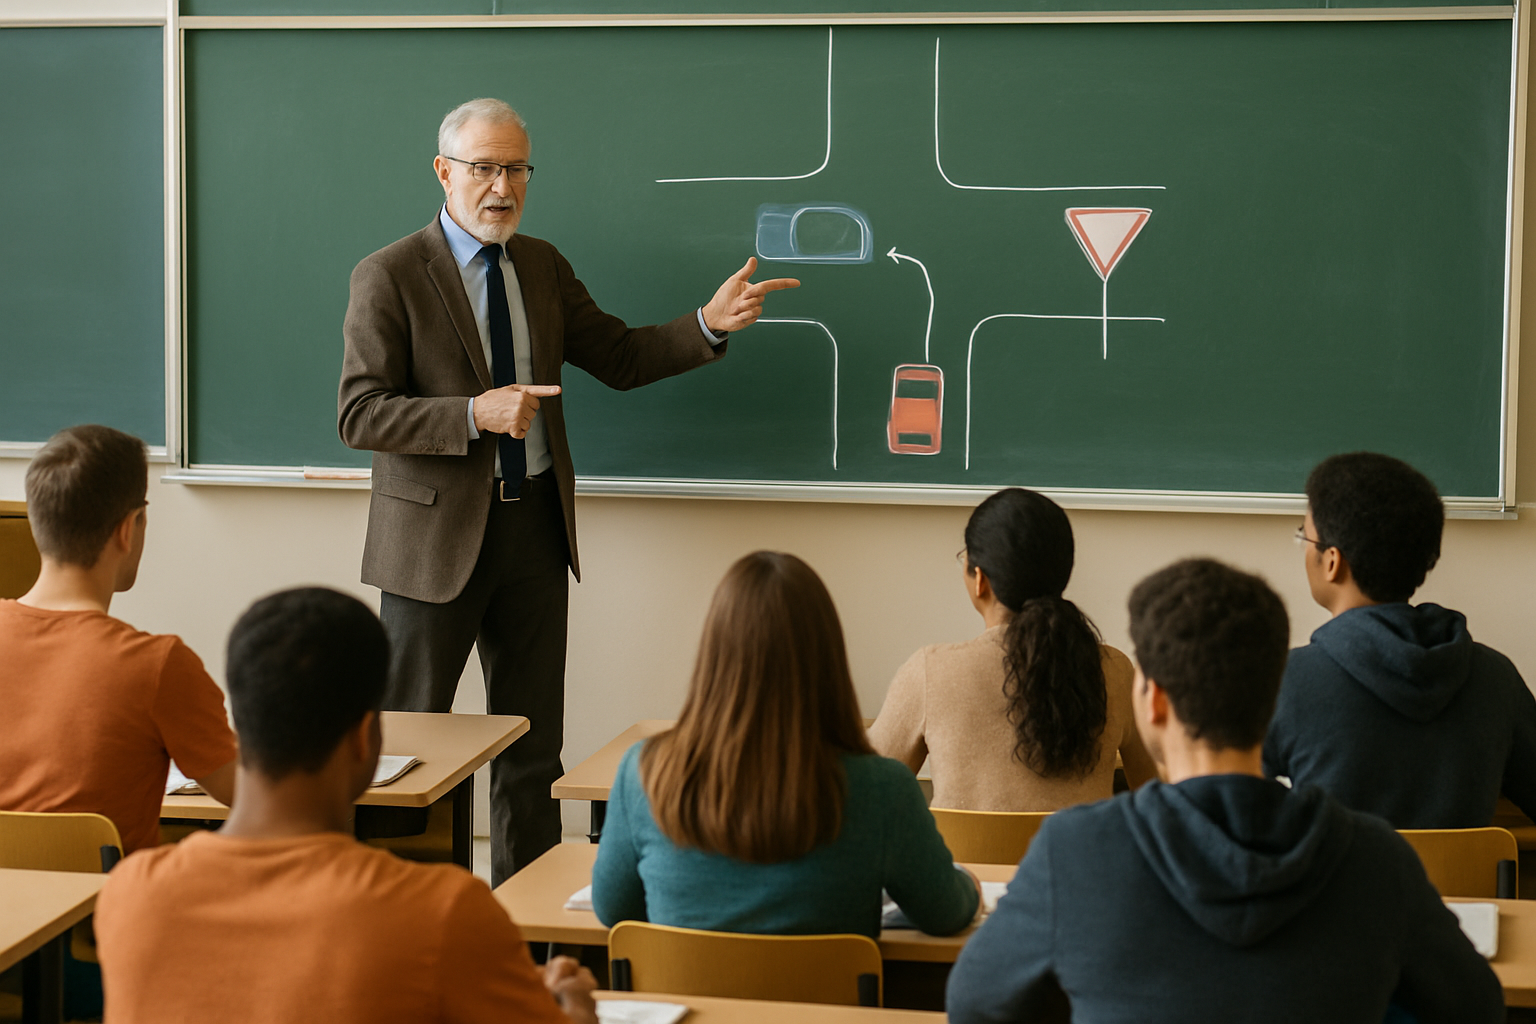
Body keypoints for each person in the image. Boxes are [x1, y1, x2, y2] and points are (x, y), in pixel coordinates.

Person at [338, 97, 800, 883]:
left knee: (530, 746)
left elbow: (618, 356)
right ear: (444, 172)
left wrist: (708, 323)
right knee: (409, 751)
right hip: (431, 547)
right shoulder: (388, 274)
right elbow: (360, 412)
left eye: (516, 168)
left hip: (533, 533)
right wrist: (475, 413)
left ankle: (525, 928)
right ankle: (395, 915)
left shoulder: (543, 266)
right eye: (483, 168)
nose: (501, 187)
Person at [945, 558, 1502, 1024]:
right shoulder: (1377, 861)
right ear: (1273, 700)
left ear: (1154, 702)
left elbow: (973, 1004)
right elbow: (1476, 1007)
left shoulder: (1076, 853)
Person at [94, 587, 598, 1024]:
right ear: (365, 739)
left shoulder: (129, 898)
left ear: (239, 729)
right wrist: (572, 1008)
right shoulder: (443, 915)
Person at [591, 552, 980, 938]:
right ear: (828, 658)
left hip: (687, 1001)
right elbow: (945, 913)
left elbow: (613, 910)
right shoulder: (882, 788)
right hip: (828, 1000)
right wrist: (968, 885)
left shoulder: (643, 772)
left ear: (714, 655)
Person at [1264, 451, 1536, 827]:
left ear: (1331, 561)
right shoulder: (1496, 677)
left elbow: (1223, 808)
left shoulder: (1288, 680)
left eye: (1304, 536)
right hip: (1460, 889)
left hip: (1343, 885)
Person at [0, 424, 236, 854]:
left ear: (36, 524)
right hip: (107, 916)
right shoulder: (159, 665)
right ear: (128, 529)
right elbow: (252, 796)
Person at [869, 488, 1156, 809]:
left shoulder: (929, 672)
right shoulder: (1115, 671)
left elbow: (864, 789)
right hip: (1076, 859)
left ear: (980, 579)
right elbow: (1158, 790)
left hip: (961, 861)